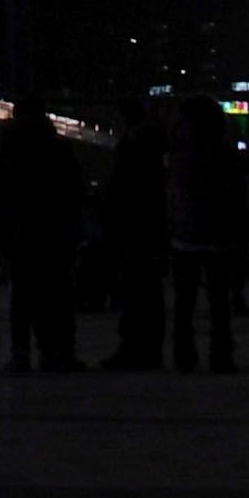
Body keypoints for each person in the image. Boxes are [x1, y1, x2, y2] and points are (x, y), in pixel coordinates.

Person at [0, 101, 84, 371]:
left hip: (21, 232)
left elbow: (0, 195)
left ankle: (21, 352)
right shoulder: (57, 148)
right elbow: (74, 190)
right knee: (58, 296)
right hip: (55, 230)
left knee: (22, 296)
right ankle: (58, 351)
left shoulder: (7, 150)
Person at [167, 115, 248, 372]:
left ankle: (184, 354)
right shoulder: (225, 158)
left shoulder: (180, 157)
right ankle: (220, 355)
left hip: (185, 235)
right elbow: (236, 197)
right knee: (219, 301)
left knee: (184, 302)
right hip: (218, 234)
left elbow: (172, 196)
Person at [98, 112, 168, 369]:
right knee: (146, 292)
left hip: (132, 235)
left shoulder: (130, 174)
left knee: (135, 290)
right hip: (146, 235)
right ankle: (147, 349)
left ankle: (134, 347)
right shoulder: (155, 174)